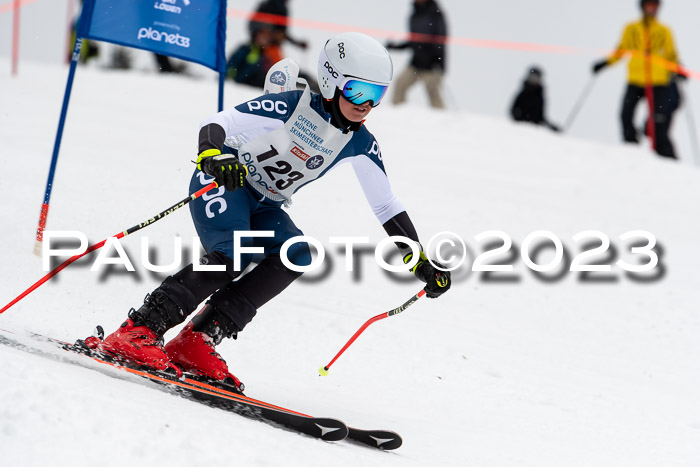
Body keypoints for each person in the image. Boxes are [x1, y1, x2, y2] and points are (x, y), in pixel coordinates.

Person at [84, 32, 451, 391]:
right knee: (234, 252)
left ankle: (198, 339)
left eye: (378, 94)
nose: (366, 104)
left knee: (297, 254)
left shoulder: (360, 142)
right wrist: (213, 155)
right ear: (331, 81)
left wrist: (418, 259)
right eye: (359, 91)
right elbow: (218, 123)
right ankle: (138, 331)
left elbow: (386, 205)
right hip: (226, 184)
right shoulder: (293, 105)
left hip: (266, 203)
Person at [591, 0, 685, 159]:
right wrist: (606, 63)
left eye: (655, 6)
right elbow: (621, 50)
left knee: (659, 122)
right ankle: (632, 151)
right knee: (625, 115)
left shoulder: (664, 30)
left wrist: (678, 70)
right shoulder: (631, 28)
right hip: (635, 80)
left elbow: (671, 55)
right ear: (642, 6)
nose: (652, 9)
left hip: (658, 82)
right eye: (649, 5)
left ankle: (665, 157)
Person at [387, 0, 447, 109]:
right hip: (416, 63)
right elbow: (413, 41)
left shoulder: (436, 14)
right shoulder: (414, 15)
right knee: (400, 85)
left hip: (432, 64)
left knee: (434, 95)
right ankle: (397, 115)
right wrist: (395, 47)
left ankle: (444, 121)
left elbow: (441, 40)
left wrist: (437, 61)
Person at [510, 67, 560, 132]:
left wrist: (551, 127)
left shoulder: (540, 97)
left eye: (536, 78)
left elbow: (541, 117)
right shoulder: (523, 94)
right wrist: (519, 117)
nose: (534, 80)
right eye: (532, 77)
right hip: (519, 129)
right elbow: (513, 110)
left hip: (534, 131)